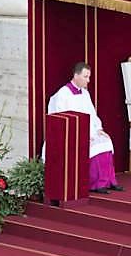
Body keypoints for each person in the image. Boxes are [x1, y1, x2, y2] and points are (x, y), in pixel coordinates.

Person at [46, 62, 123, 194]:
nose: (88, 80)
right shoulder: (62, 94)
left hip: (90, 130)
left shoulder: (85, 93)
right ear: (76, 76)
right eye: (85, 77)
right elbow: (59, 118)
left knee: (106, 141)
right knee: (92, 146)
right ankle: (96, 183)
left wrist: (99, 129)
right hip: (74, 133)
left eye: (89, 77)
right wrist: (79, 134)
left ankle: (109, 180)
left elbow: (92, 113)